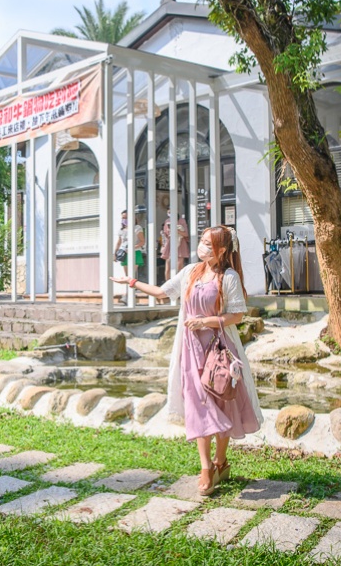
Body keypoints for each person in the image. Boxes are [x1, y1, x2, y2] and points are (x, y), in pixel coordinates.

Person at [111, 225, 262, 495]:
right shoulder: (190, 271)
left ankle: (221, 461)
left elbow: (237, 315)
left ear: (223, 249)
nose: (201, 246)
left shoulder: (228, 277)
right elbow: (161, 293)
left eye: (207, 243)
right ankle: (206, 467)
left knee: (223, 402)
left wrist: (207, 321)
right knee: (198, 406)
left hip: (218, 351)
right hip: (191, 351)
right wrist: (131, 283)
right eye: (202, 241)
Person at [160, 209, 191, 280]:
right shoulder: (167, 221)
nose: (170, 213)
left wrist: (176, 230)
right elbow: (165, 234)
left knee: (179, 264)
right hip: (170, 243)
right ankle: (167, 282)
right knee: (168, 264)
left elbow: (186, 234)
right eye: (168, 212)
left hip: (181, 243)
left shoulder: (182, 221)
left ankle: (179, 282)